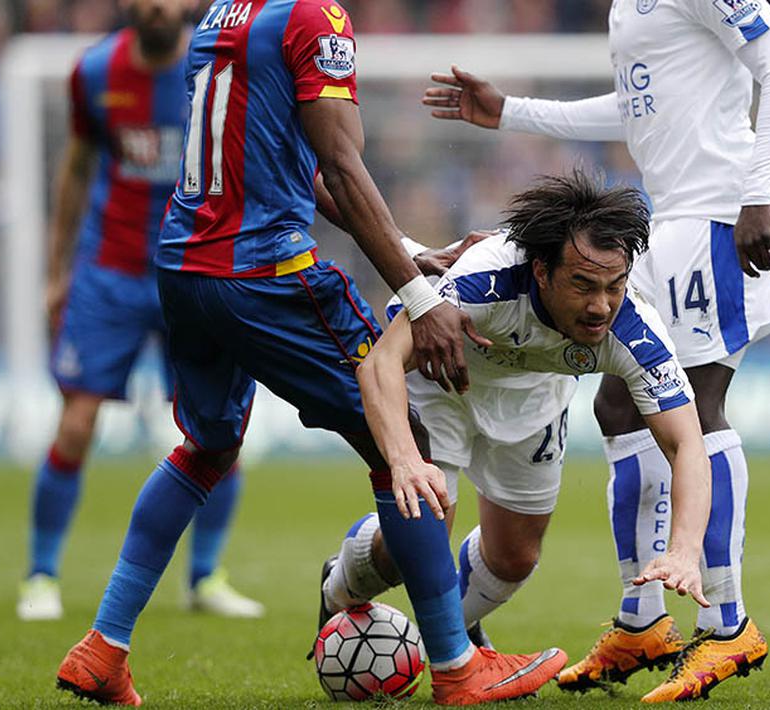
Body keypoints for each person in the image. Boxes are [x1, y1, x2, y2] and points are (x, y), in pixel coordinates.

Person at [54, 0, 565, 705]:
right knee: (403, 445)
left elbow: (299, 170)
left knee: (204, 448)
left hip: (185, 264)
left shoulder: (225, 15)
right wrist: (421, 297)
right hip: (264, 272)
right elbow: (342, 164)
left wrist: (413, 254)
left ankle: (103, 648)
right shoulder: (313, 17)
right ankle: (455, 667)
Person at [420, 0, 770, 699]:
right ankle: (641, 620)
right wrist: (510, 111)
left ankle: (726, 627)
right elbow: (641, 109)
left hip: (721, 213)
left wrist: (755, 192)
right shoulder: (629, 8)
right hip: (675, 220)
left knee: (698, 408)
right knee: (622, 405)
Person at [317, 172, 713, 679]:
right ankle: (341, 587)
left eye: (614, 287)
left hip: (534, 398)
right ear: (542, 272)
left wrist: (683, 549)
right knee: (419, 536)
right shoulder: (485, 285)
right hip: (441, 379)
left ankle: (450, 632)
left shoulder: (634, 330)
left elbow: (686, 444)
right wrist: (404, 462)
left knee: (514, 558)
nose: (600, 306)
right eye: (583, 285)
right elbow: (379, 364)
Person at [18, 0, 264, 625]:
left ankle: (206, 576)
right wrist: (56, 272)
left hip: (195, 270)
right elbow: (75, 169)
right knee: (75, 423)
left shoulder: (220, 68)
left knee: (219, 429)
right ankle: (42, 575)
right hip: (112, 274)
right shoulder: (94, 72)